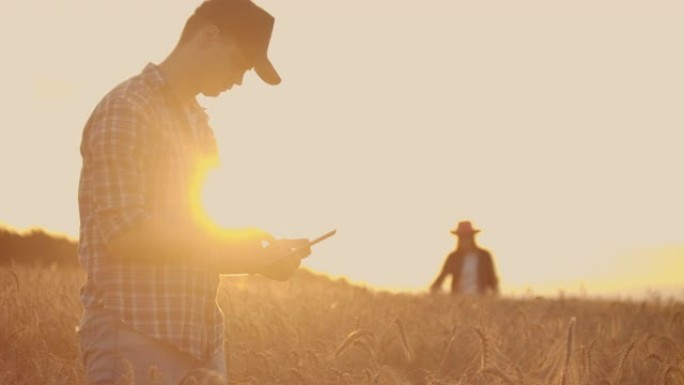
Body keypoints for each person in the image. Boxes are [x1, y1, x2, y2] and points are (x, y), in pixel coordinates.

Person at [77, 1, 309, 384]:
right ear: (210, 36)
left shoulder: (198, 123)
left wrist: (253, 254)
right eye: (241, 63)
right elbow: (126, 235)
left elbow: (193, 235)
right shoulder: (127, 109)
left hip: (202, 343)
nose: (240, 79)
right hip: (135, 336)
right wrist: (241, 252)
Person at [430, 221, 499, 295]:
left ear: (472, 238)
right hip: (459, 301)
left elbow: (493, 280)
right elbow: (440, 279)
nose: (463, 240)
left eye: (466, 237)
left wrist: (495, 296)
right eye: (461, 237)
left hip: (481, 300)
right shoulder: (453, 257)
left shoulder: (484, 256)